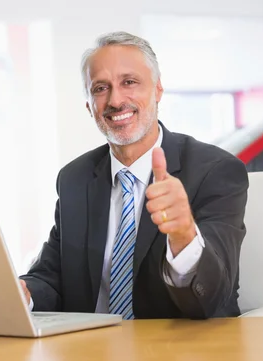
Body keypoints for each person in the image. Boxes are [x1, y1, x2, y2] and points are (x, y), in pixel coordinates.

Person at [19, 31, 248, 319]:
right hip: (89, 353)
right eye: (101, 88)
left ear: (157, 89)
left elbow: (214, 298)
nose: (116, 100)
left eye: (129, 82)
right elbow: (52, 277)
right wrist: (22, 293)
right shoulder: (74, 179)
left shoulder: (215, 171)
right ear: (89, 106)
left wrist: (184, 235)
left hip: (178, 355)